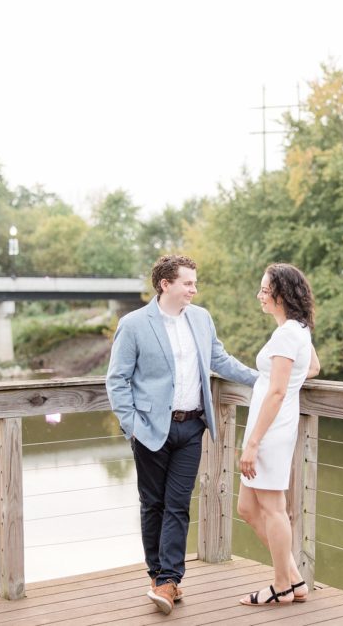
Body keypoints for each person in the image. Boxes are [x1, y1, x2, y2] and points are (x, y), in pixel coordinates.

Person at [106, 254, 257, 615]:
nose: (194, 289)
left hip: (192, 427)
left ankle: (170, 580)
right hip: (150, 429)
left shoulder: (201, 319)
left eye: (194, 283)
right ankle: (158, 576)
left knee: (178, 504)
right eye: (188, 283)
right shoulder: (134, 324)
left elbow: (219, 359)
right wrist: (133, 426)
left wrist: (262, 379)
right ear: (166, 285)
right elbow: (117, 380)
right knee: (152, 504)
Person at [236, 263, 321, 607]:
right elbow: (313, 367)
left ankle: (281, 586)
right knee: (246, 507)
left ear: (280, 294)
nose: (259, 296)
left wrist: (253, 442)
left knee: (273, 509)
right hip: (267, 427)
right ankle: (295, 580)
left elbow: (277, 391)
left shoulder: (287, 335)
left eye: (263, 290)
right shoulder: (296, 330)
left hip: (269, 432)